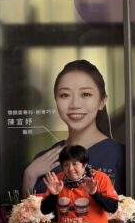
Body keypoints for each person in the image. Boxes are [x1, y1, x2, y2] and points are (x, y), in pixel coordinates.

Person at [22, 59, 125, 195]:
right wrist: (29, 176)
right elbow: (29, 207)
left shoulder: (121, 155)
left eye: (86, 94)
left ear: (102, 101)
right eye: (65, 95)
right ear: (56, 100)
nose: (75, 104)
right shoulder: (43, 160)